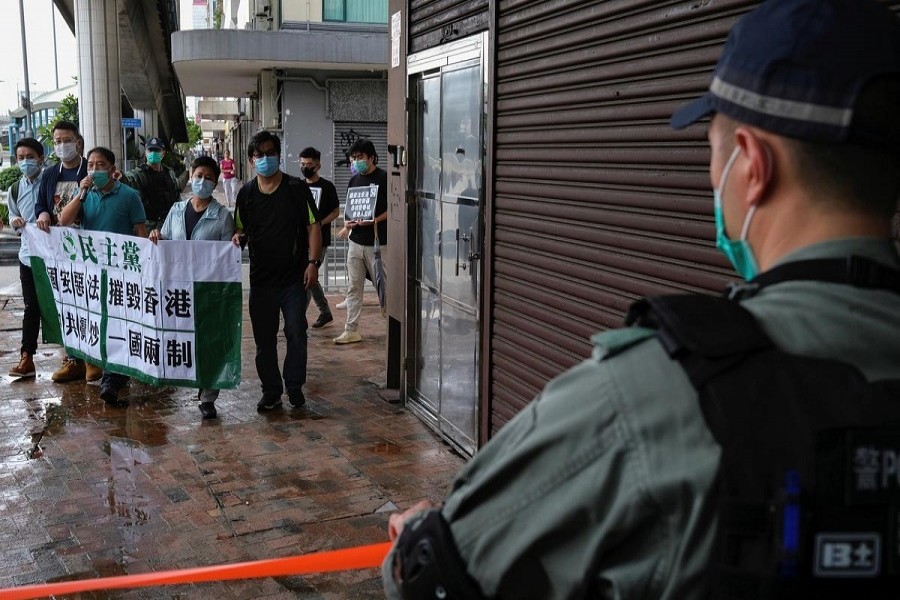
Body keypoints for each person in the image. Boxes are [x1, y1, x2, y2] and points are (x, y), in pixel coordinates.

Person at [382, 1, 900, 598]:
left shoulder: (655, 396)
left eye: (713, 151)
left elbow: (433, 578)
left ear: (753, 166)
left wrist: (417, 535)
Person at [232, 131, 322, 411]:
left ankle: (294, 385)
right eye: (259, 154)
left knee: (296, 331)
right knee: (264, 341)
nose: (265, 158)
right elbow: (240, 229)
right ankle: (271, 390)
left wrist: (313, 263)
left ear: (279, 155)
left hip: (293, 279)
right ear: (250, 160)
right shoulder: (246, 194)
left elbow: (313, 227)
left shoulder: (296, 188)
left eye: (270, 152)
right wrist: (237, 237)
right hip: (260, 282)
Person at [55, 146, 148, 405]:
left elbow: (140, 233)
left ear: (112, 168)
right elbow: (63, 221)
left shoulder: (129, 196)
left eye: (100, 165)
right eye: (91, 165)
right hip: (92, 276)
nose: (95, 170)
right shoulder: (84, 195)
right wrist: (81, 194)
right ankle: (111, 375)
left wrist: (145, 270)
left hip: (122, 274)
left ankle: (112, 379)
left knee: (119, 325)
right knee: (100, 323)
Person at [150, 156, 235, 419]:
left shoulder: (222, 217)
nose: (203, 181)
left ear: (216, 181)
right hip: (176, 290)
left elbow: (226, 259)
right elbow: (165, 241)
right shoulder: (176, 210)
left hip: (208, 291)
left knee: (209, 341)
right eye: (199, 175)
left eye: (209, 177)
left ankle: (208, 396)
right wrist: (156, 236)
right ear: (191, 174)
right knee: (180, 338)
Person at [34, 121, 101, 383]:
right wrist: (41, 212)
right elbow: (42, 202)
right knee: (66, 303)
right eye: (57, 141)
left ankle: (94, 359)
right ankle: (72, 359)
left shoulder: (92, 171)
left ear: (79, 143)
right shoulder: (50, 174)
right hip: (60, 253)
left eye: (67, 140)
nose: (62, 145)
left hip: (89, 250)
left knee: (91, 302)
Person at [334, 138, 387, 345]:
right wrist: (347, 226)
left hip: (379, 243)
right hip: (355, 243)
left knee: (385, 288)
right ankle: (351, 329)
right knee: (354, 287)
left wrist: (375, 220)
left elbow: (394, 209)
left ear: (372, 157)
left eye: (360, 157)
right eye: (353, 158)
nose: (355, 162)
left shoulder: (384, 178)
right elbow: (350, 209)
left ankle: (396, 326)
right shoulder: (353, 180)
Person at [6, 138, 46, 378]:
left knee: (59, 306)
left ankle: (71, 357)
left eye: (29, 157)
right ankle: (26, 356)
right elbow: (13, 216)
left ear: (40, 158)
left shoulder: (51, 182)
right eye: (20, 157)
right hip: (28, 256)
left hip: (54, 258)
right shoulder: (15, 188)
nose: (25, 162)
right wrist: (16, 222)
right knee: (31, 307)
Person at [299, 146, 340, 328]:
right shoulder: (298, 186)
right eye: (302, 164)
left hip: (320, 239)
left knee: (307, 276)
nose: (305, 167)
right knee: (310, 276)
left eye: (309, 164)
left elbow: (336, 212)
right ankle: (325, 312)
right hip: (301, 239)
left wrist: (319, 223)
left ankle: (298, 317)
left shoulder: (327, 186)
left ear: (318, 165)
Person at [120, 136, 180, 231]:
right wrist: (120, 176)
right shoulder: (140, 174)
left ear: (163, 153)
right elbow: (128, 179)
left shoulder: (169, 173)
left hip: (170, 226)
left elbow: (177, 197)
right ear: (146, 152)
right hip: (148, 229)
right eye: (150, 150)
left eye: (157, 150)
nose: (153, 153)